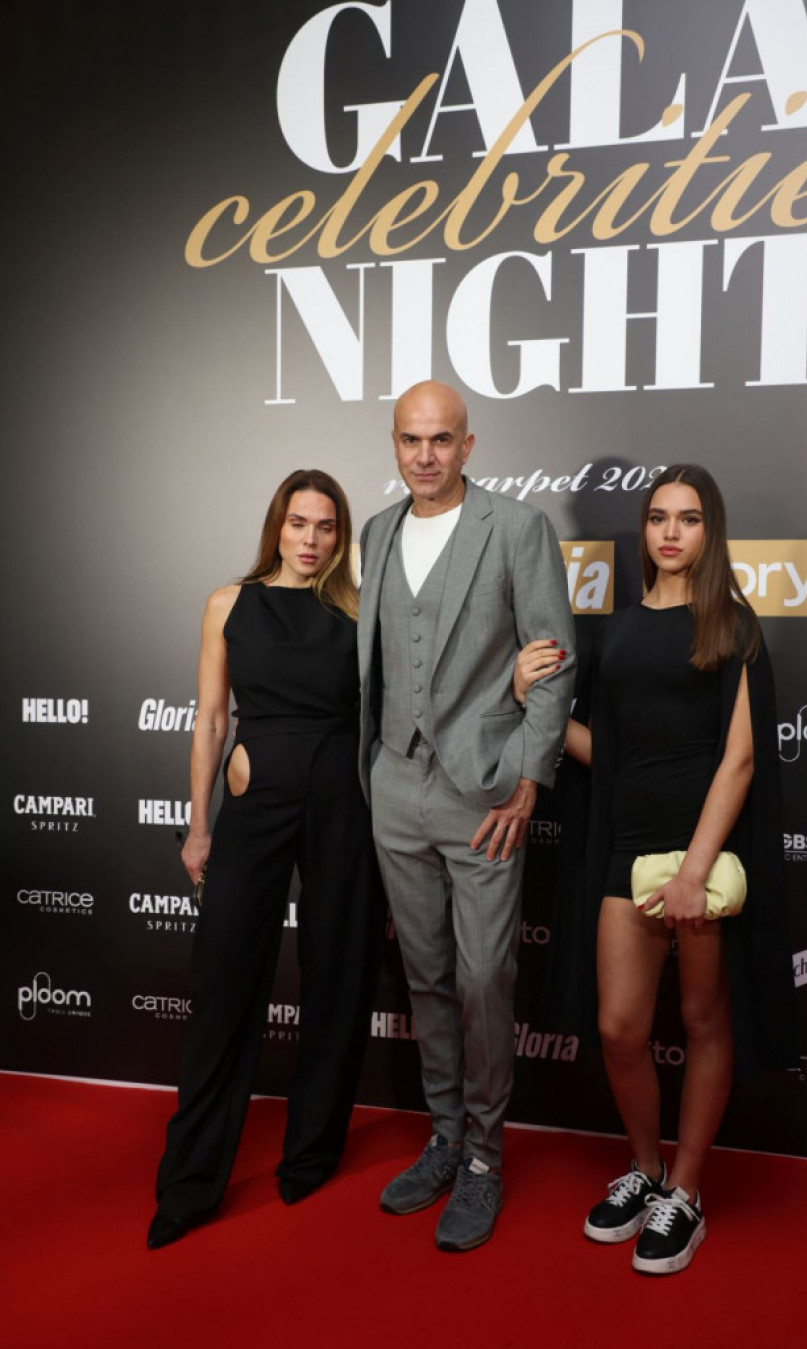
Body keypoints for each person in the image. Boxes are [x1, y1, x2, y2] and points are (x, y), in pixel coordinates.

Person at [516, 464, 795, 1275]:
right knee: (619, 1026)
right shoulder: (616, 631)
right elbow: (603, 752)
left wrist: (694, 872)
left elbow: (741, 760)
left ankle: (687, 1191)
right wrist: (529, 699)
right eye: (659, 516)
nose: (672, 531)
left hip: (704, 855)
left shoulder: (734, 624)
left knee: (705, 1020)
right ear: (644, 529)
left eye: (690, 517)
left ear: (711, 531)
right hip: (625, 848)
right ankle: (645, 1169)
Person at [357, 380, 575, 1251]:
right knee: (426, 975)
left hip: (484, 792)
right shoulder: (376, 532)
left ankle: (485, 1157)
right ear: (395, 443)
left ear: (469, 444)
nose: (425, 454)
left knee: (485, 979)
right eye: (411, 439)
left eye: (442, 439)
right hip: (394, 786)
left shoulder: (516, 528)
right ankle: (445, 1136)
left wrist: (528, 778)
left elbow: (553, 661)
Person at [147, 469, 384, 1249]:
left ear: (340, 535)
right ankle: (189, 1183)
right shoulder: (230, 602)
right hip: (255, 805)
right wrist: (198, 824)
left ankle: (311, 1153)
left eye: (326, 526)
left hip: (345, 806)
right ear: (276, 526)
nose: (310, 539)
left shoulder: (360, 610)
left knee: (338, 973)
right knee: (222, 981)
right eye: (298, 523)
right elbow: (212, 719)